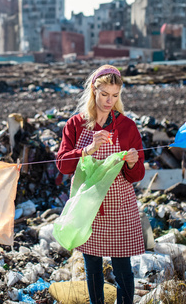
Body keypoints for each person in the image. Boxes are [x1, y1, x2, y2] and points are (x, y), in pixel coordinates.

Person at [56, 64, 145, 304]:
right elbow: (63, 165)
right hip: (88, 204)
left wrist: (132, 162)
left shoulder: (127, 126)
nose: (109, 100)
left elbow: (137, 175)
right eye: (104, 94)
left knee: (121, 263)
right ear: (93, 91)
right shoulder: (75, 124)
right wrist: (87, 149)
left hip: (118, 204)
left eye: (115, 95)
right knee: (92, 263)